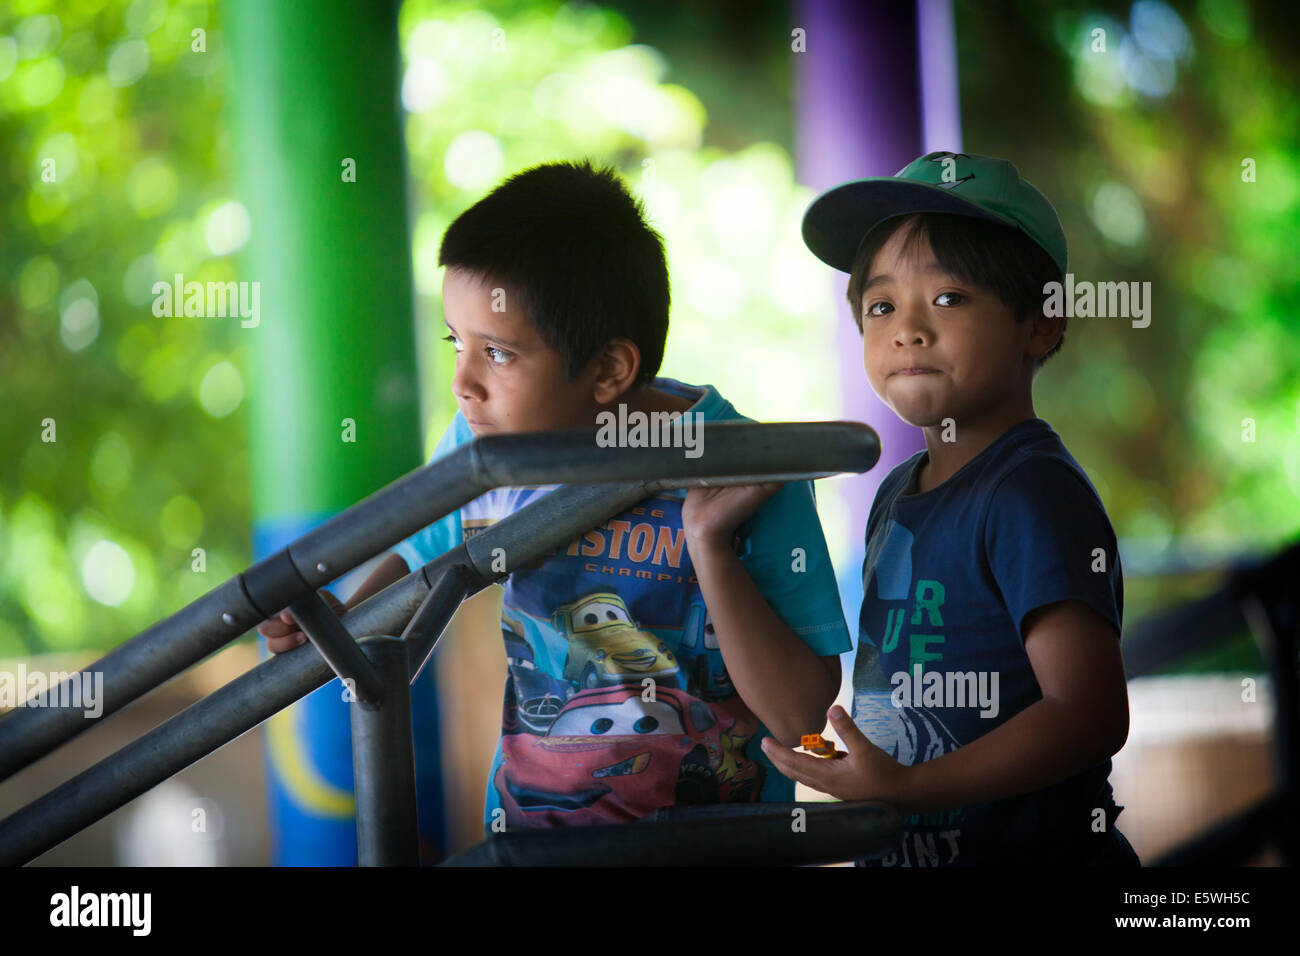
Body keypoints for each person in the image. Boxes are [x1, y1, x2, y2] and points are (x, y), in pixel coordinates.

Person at [258, 159, 852, 834]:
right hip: (536, 840)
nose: (463, 384)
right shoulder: (484, 454)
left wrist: (710, 547)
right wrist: (336, 620)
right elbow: (418, 570)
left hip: (711, 852)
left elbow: (803, 718)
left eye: (499, 354)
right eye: (457, 343)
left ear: (607, 370)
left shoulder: (748, 471)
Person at [761, 151, 1140, 866]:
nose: (908, 329)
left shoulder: (1032, 493)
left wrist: (911, 786)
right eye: (881, 306)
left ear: (1043, 324)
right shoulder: (896, 494)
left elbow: (1087, 714)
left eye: (949, 299)